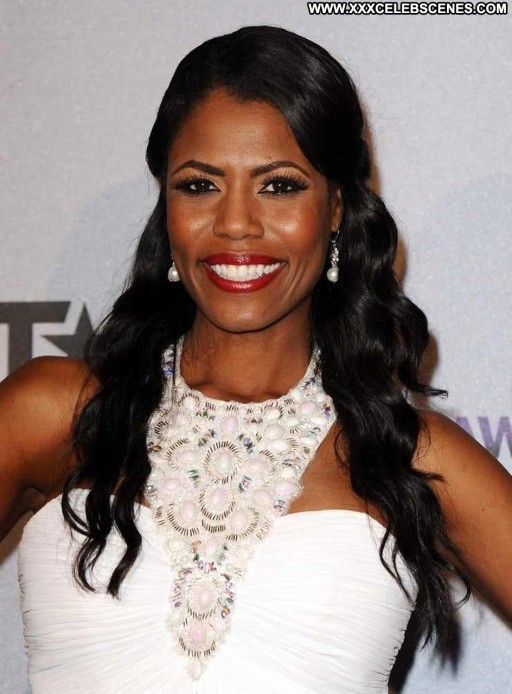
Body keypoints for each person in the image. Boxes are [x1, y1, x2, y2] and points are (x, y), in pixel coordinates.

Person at [1, 24, 511, 694]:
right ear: (166, 207)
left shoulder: (410, 454)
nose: (236, 223)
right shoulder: (52, 412)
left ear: (336, 208)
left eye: (278, 186)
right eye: (199, 185)